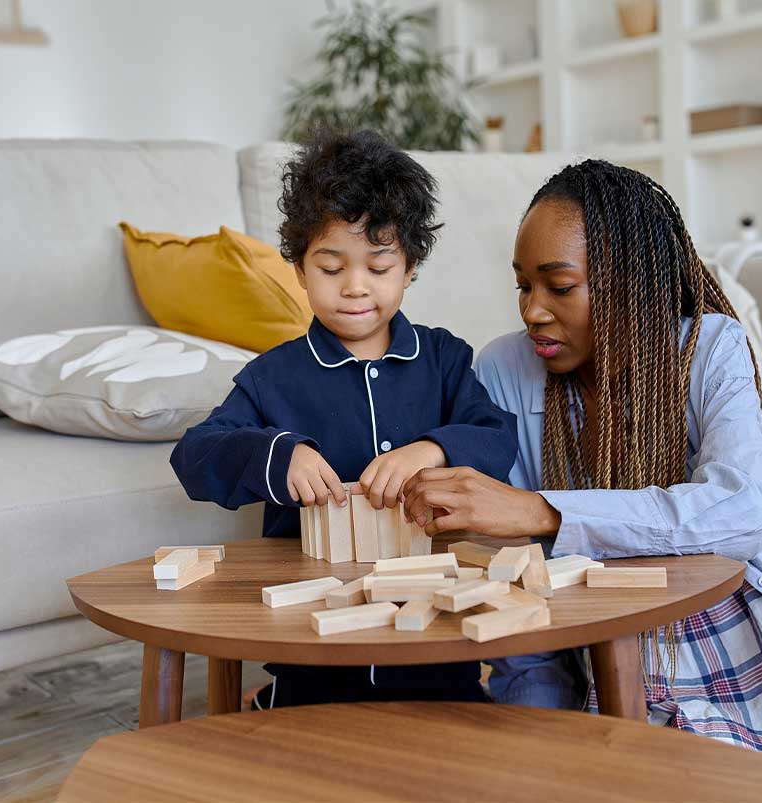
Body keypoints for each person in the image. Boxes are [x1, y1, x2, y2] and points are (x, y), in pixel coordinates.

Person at [400, 160, 762, 802]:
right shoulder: (506, 367)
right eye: (522, 287)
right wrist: (538, 731)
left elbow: (743, 509)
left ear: (632, 286)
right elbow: (510, 578)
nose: (533, 310)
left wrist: (546, 511)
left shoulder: (708, 346)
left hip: (731, 620)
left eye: (559, 287)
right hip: (608, 653)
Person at [170, 129, 518, 707]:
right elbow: (195, 455)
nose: (355, 286)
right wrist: (281, 454)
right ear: (300, 271)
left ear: (409, 270)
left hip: (434, 635)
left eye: (379, 268)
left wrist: (428, 451)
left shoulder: (443, 359)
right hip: (312, 645)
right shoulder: (272, 376)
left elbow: (497, 439)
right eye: (331, 267)